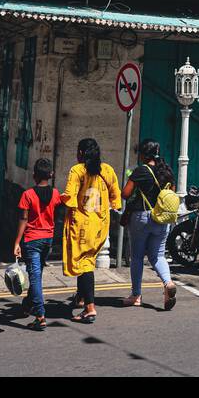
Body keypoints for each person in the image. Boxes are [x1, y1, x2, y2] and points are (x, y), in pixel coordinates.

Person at [61, 138, 120, 324]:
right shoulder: (108, 170)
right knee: (86, 260)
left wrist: (60, 199)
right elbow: (115, 196)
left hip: (82, 225)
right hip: (101, 224)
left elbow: (69, 197)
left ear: (80, 153)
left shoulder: (77, 170)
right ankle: (80, 297)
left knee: (84, 263)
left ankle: (90, 308)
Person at [120, 140, 179, 310]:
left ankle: (136, 295)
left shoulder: (141, 171)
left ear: (144, 155)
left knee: (137, 257)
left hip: (142, 217)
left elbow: (125, 194)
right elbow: (171, 193)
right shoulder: (167, 171)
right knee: (158, 255)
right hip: (162, 219)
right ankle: (168, 283)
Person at [14, 158, 61, 331]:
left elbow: (23, 219)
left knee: (35, 277)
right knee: (37, 273)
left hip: (32, 239)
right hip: (48, 238)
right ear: (51, 175)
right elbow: (61, 204)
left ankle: (40, 316)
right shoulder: (56, 194)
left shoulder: (28, 195)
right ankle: (28, 304)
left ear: (34, 175)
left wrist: (17, 242)